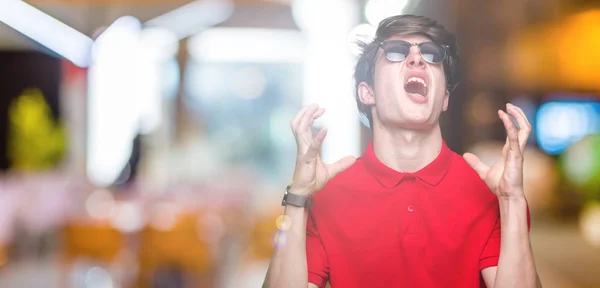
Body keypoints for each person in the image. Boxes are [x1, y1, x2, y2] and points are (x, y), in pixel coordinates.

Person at [263, 14, 541, 288]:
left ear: (444, 98)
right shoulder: (325, 197)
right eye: (396, 52)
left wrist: (512, 200)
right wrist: (297, 198)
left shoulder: (488, 193)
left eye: (432, 55)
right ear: (367, 93)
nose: (417, 59)